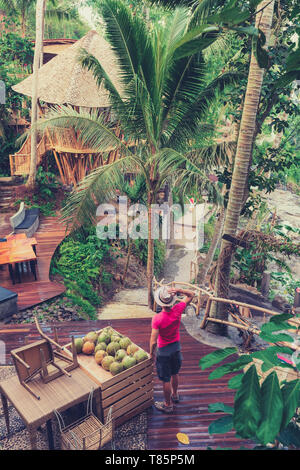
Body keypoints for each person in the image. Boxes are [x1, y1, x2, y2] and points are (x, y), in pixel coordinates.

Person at [149, 285, 194, 413]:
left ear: (160, 302)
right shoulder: (178, 309)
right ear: (171, 300)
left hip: (163, 351)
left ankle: (168, 404)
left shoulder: (157, 319)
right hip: (176, 348)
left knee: (165, 379)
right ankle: (175, 394)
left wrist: (152, 354)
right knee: (175, 373)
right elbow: (191, 295)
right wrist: (180, 291)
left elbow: (153, 341)